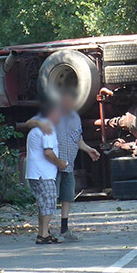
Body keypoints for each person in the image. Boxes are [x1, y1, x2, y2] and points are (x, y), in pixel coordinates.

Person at [20, 90, 100, 241]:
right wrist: (39, 122)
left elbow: (78, 138)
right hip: (53, 165)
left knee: (67, 196)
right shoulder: (48, 118)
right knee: (49, 199)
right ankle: (45, 232)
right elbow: (30, 124)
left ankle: (63, 229)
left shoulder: (75, 118)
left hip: (67, 163)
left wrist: (88, 149)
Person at [25, 103, 68, 244]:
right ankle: (43, 234)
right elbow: (48, 152)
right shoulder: (48, 129)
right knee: (49, 203)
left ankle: (43, 233)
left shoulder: (38, 126)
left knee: (43, 204)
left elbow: (28, 122)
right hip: (43, 173)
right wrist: (60, 163)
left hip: (35, 172)